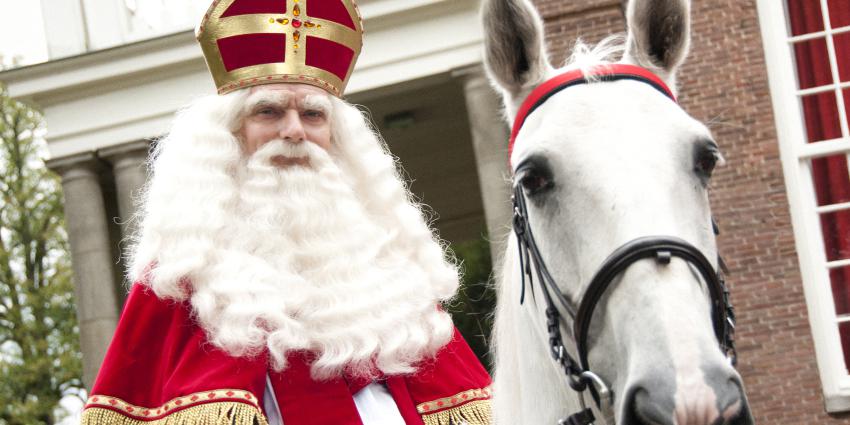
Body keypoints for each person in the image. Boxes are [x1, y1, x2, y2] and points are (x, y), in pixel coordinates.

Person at [80, 1, 492, 424]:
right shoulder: (182, 272)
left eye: (312, 115)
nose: (294, 131)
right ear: (229, 135)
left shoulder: (387, 265)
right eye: (269, 111)